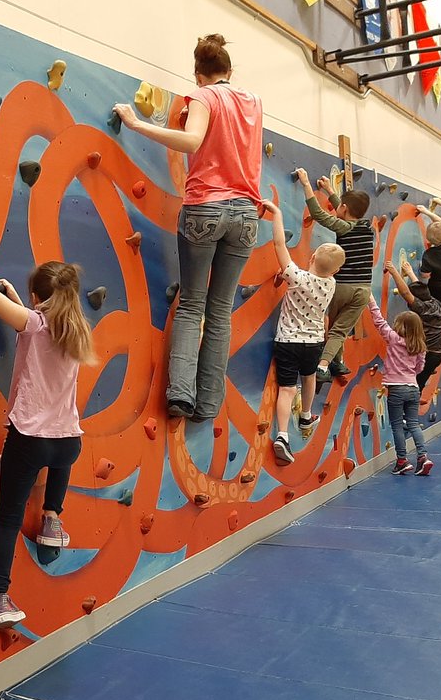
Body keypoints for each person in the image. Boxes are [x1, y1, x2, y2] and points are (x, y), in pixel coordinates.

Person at [0, 226, 94, 630]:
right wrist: (19, 301)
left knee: (8, 517)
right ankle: (52, 519)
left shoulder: (35, 324)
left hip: (29, 441)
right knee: (56, 461)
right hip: (66, 444)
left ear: (36, 299)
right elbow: (32, 333)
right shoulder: (76, 329)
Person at [114, 34, 263, 421]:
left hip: (206, 207)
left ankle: (181, 395)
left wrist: (135, 123)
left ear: (198, 76)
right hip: (246, 214)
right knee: (220, 311)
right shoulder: (253, 102)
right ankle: (209, 404)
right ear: (230, 71)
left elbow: (194, 140)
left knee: (192, 304)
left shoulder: (203, 97)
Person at [262, 201, 345, 465]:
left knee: (287, 390)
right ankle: (307, 414)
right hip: (312, 343)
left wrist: (277, 213)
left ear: (310, 259)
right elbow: (321, 271)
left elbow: (279, 247)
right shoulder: (331, 284)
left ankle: (282, 436)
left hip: (287, 341)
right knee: (308, 378)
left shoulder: (296, 277)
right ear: (336, 271)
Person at [294, 170, 373, 382]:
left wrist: (306, 185)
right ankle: (336, 362)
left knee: (333, 328)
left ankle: (322, 366)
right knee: (341, 329)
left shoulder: (344, 228)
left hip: (343, 286)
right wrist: (330, 190)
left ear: (344, 208)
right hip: (363, 290)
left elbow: (321, 215)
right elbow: (345, 212)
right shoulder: (368, 228)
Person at [367, 296, 432, 476]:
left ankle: (402, 461)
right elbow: (420, 368)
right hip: (413, 388)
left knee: (397, 425)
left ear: (401, 325)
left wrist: (371, 300)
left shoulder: (394, 339)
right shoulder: (420, 346)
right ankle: (423, 456)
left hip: (395, 389)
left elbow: (379, 321)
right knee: (413, 424)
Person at [385, 259, 441, 395]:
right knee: (418, 384)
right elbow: (421, 290)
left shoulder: (422, 308)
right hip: (437, 352)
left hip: (430, 354)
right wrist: (411, 273)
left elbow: (406, 293)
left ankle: (408, 413)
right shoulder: (435, 303)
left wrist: (394, 272)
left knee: (414, 386)